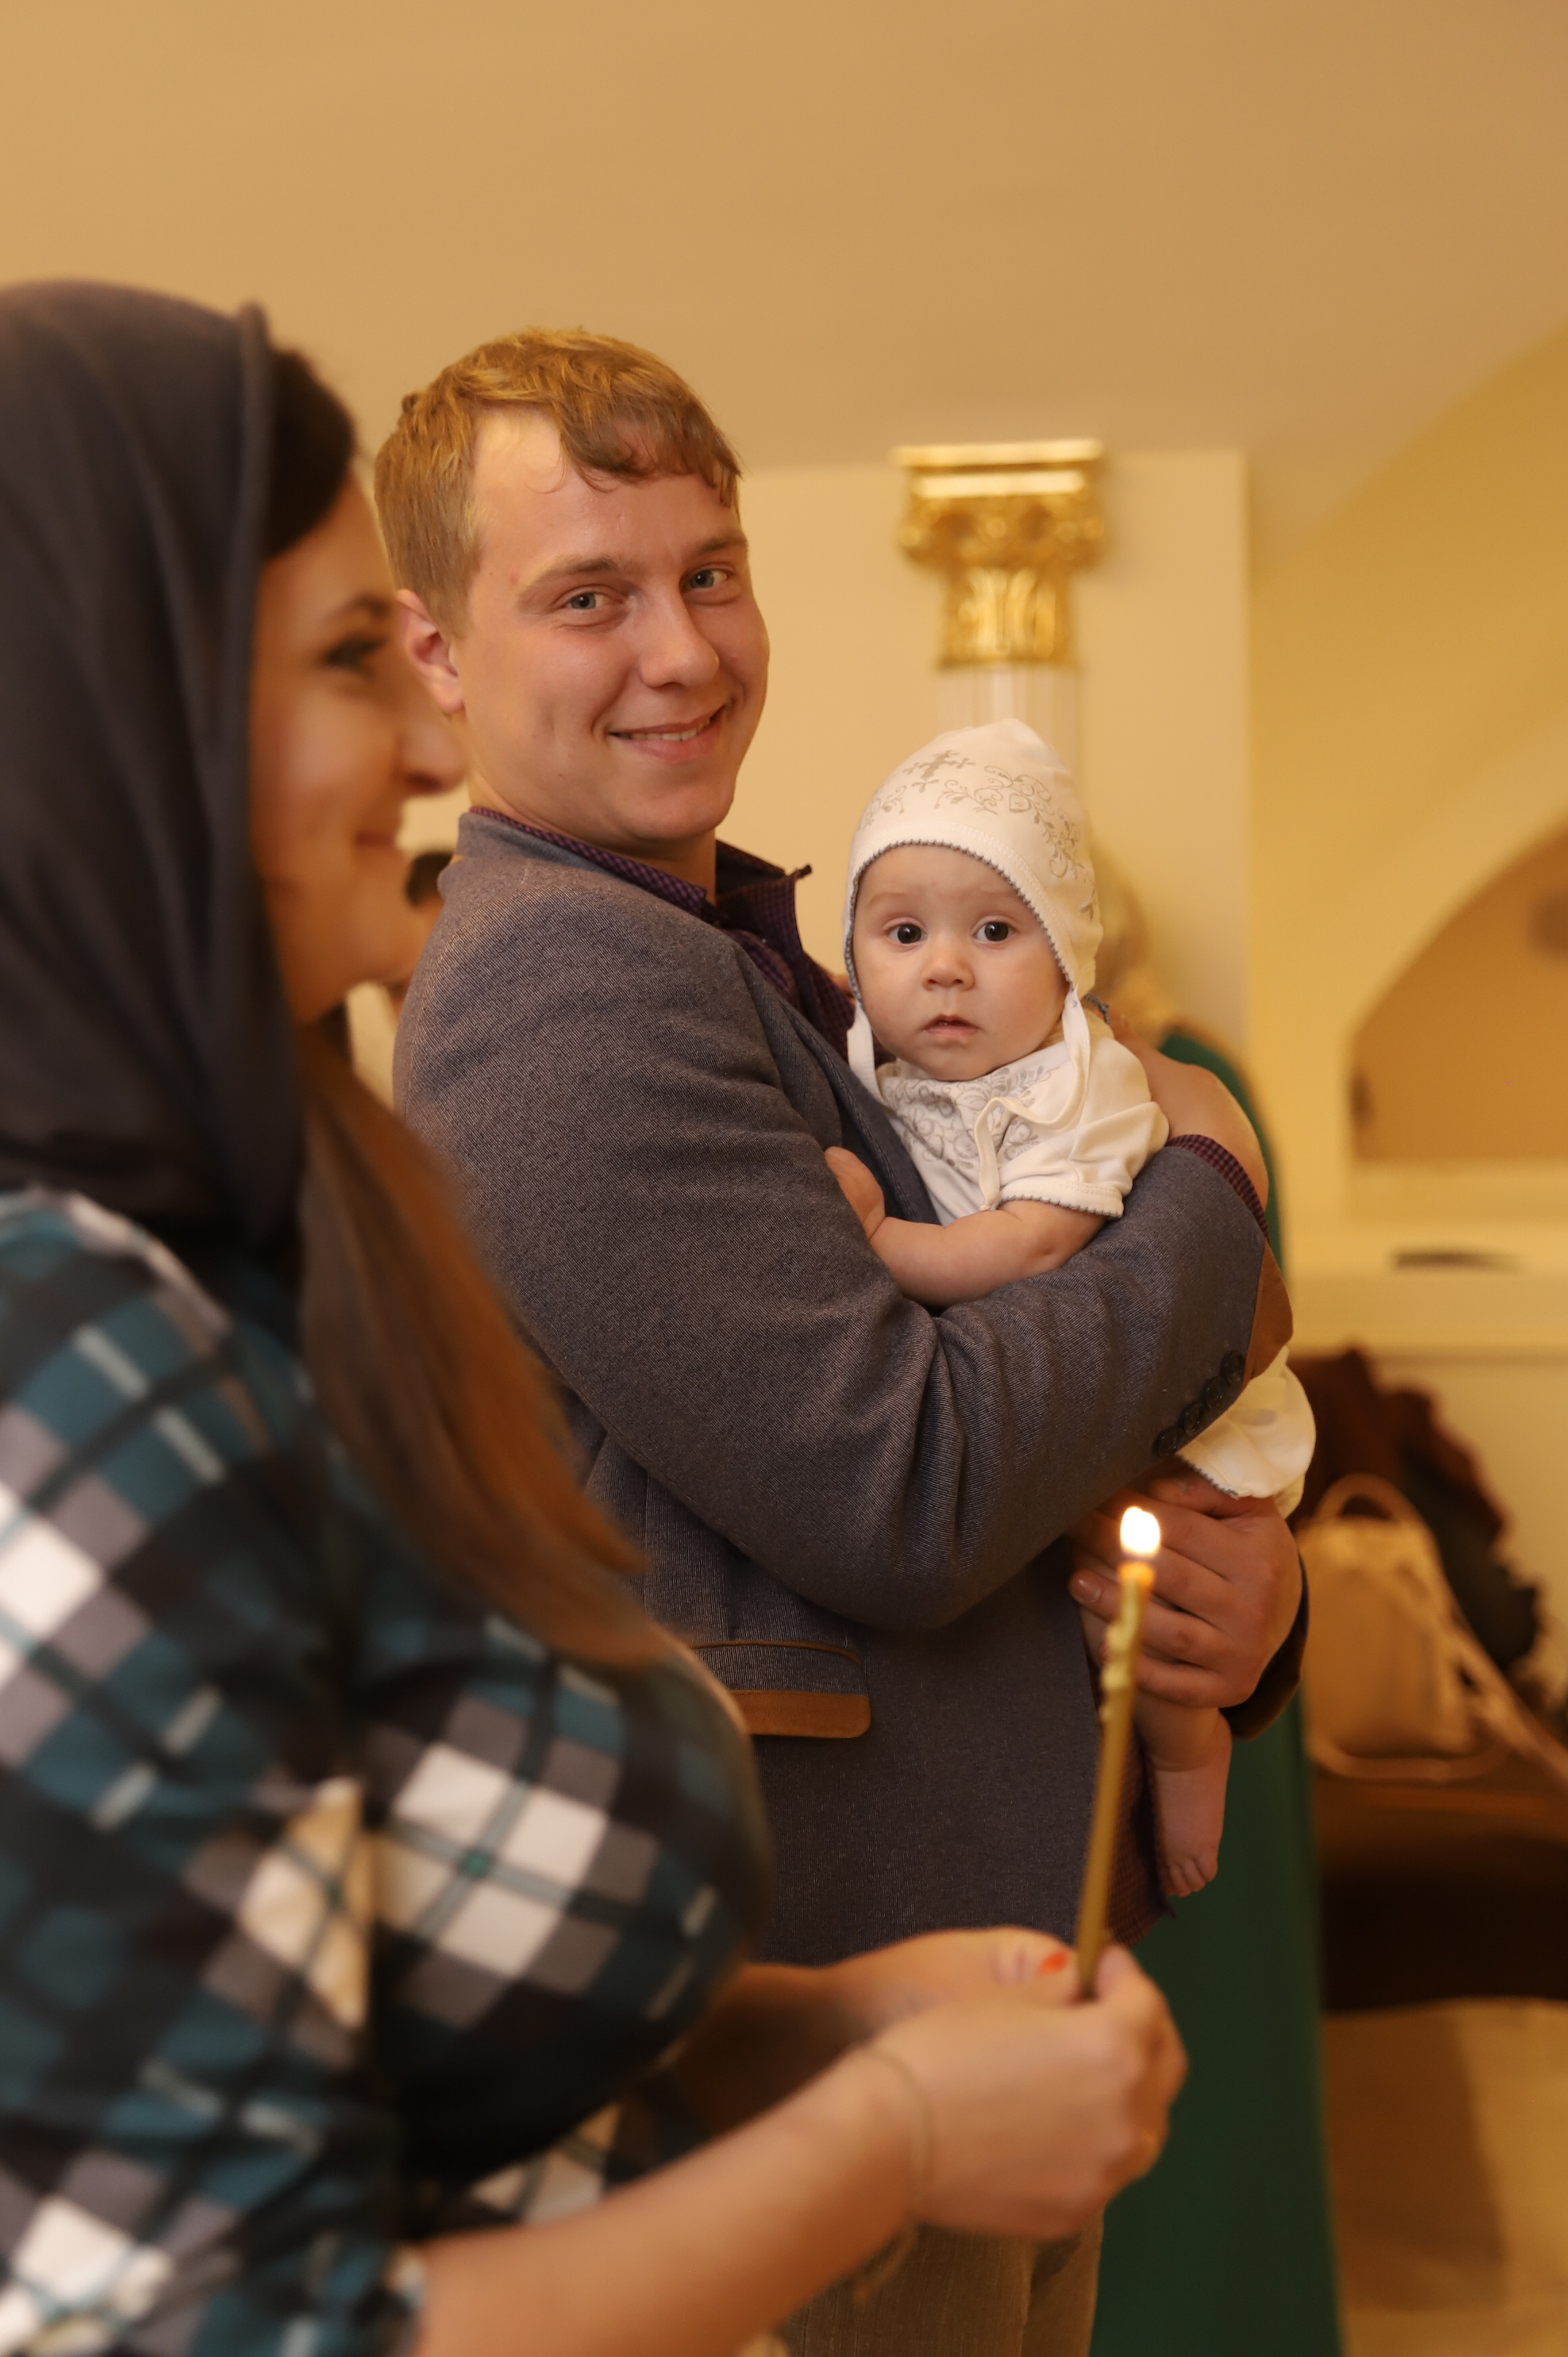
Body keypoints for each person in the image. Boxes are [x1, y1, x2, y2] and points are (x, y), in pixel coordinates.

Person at [0, 283, 1188, 2357]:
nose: (426, 739)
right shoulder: (83, 1336)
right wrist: (882, 2124)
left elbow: (365, 1916)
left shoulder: (263, 1228)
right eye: (352, 661)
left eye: (709, 574)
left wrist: (796, 2023)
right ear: (126, 724)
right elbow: (224, 2313)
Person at [382, 327, 1305, 2356]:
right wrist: (1214, 1209)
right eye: (589, 595)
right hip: (818, 2006)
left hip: (963, 1951)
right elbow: (911, 1481)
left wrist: (1224, 1566)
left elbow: (1022, 1345)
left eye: (709, 570)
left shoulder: (769, 940)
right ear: (437, 656)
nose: (683, 649)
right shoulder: (560, 988)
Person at [824, 720, 1316, 1896]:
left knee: (1150, 1648)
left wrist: (888, 1247)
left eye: (996, 933)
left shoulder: (1101, 1086)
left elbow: (1062, 1251)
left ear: (1070, 959)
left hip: (1155, 1443)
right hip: (1017, 1546)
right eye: (905, 934)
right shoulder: (864, 1074)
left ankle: (1194, 1775)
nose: (946, 967)